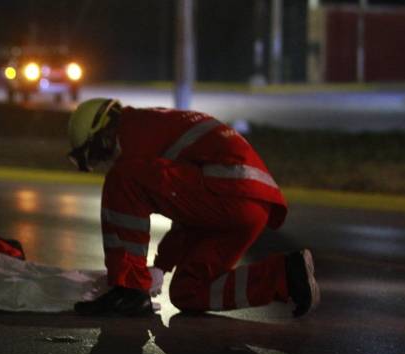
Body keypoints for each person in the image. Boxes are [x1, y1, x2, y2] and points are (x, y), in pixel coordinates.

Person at [66, 98, 319, 317]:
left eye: (96, 154)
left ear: (103, 134)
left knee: (122, 179)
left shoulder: (135, 131)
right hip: (246, 204)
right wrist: (163, 266)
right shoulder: (155, 126)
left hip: (230, 192)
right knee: (188, 292)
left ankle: (129, 290)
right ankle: (287, 275)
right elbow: (188, 211)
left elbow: (174, 196)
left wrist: (132, 283)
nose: (102, 161)